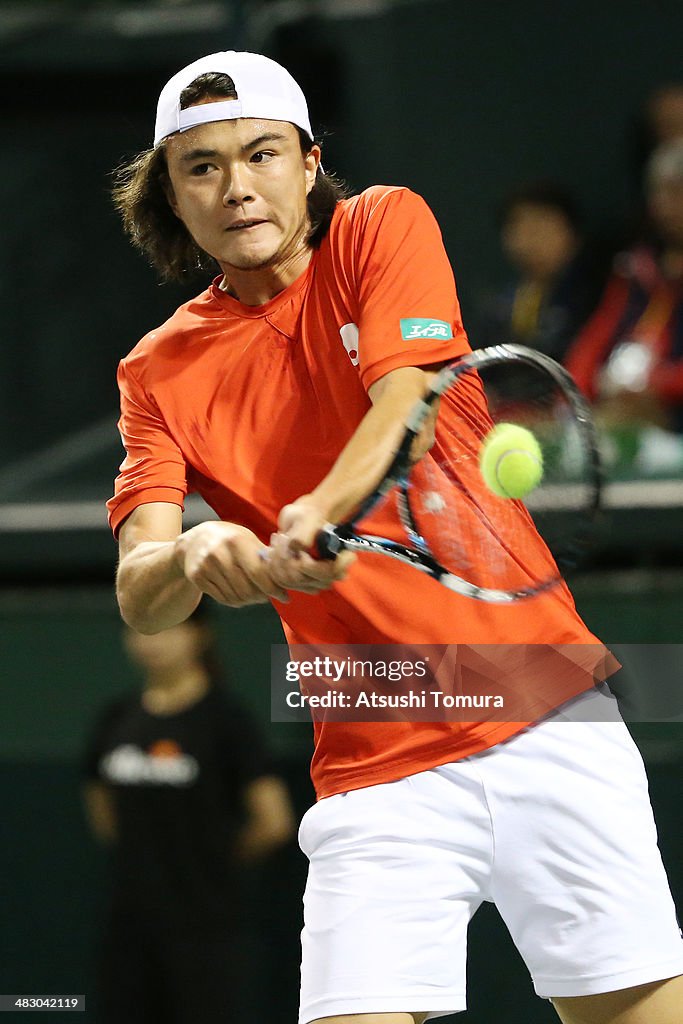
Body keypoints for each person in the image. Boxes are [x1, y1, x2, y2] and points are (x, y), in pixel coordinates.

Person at [106, 50, 683, 1024]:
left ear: (306, 161)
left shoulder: (381, 224)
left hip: (550, 720)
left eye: (260, 154)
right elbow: (140, 584)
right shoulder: (154, 372)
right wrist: (193, 557)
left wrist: (316, 510)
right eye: (200, 166)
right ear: (172, 190)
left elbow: (404, 396)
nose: (235, 185)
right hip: (372, 760)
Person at [83, 604, 295, 1023]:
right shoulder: (115, 720)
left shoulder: (227, 721)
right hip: (129, 926)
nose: (152, 642)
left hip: (207, 929)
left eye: (168, 629)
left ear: (200, 635)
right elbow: (103, 810)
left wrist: (212, 860)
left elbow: (274, 822)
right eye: (141, 630)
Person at [566, 138, 683, 436]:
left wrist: (657, 384)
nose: (665, 204)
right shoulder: (635, 267)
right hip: (618, 404)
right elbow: (595, 339)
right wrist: (573, 393)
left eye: (677, 191)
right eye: (659, 191)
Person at [477, 182, 600, 362]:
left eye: (541, 227)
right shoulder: (502, 307)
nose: (529, 242)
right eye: (518, 228)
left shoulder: (601, 298)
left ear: (572, 233)